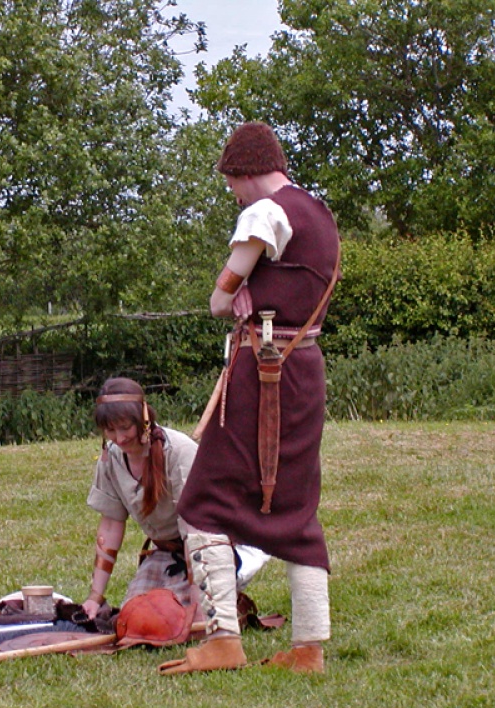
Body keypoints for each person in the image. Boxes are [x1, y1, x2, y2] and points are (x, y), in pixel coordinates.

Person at [159, 122, 341, 676]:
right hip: (304, 369)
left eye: (232, 183)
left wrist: (233, 293)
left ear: (244, 173)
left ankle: (223, 640)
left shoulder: (264, 213)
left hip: (262, 375)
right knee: (297, 509)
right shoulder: (321, 215)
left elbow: (220, 298)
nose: (233, 195)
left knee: (202, 504)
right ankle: (308, 649)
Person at [82, 377, 268, 622]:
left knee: (177, 619)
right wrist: (95, 597)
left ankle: (227, 587)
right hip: (169, 554)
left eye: (125, 427)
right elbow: (110, 525)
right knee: (136, 618)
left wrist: (197, 604)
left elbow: (196, 528)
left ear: (144, 418)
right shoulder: (112, 460)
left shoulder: (179, 451)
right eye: (110, 430)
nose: (119, 438)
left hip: (210, 546)